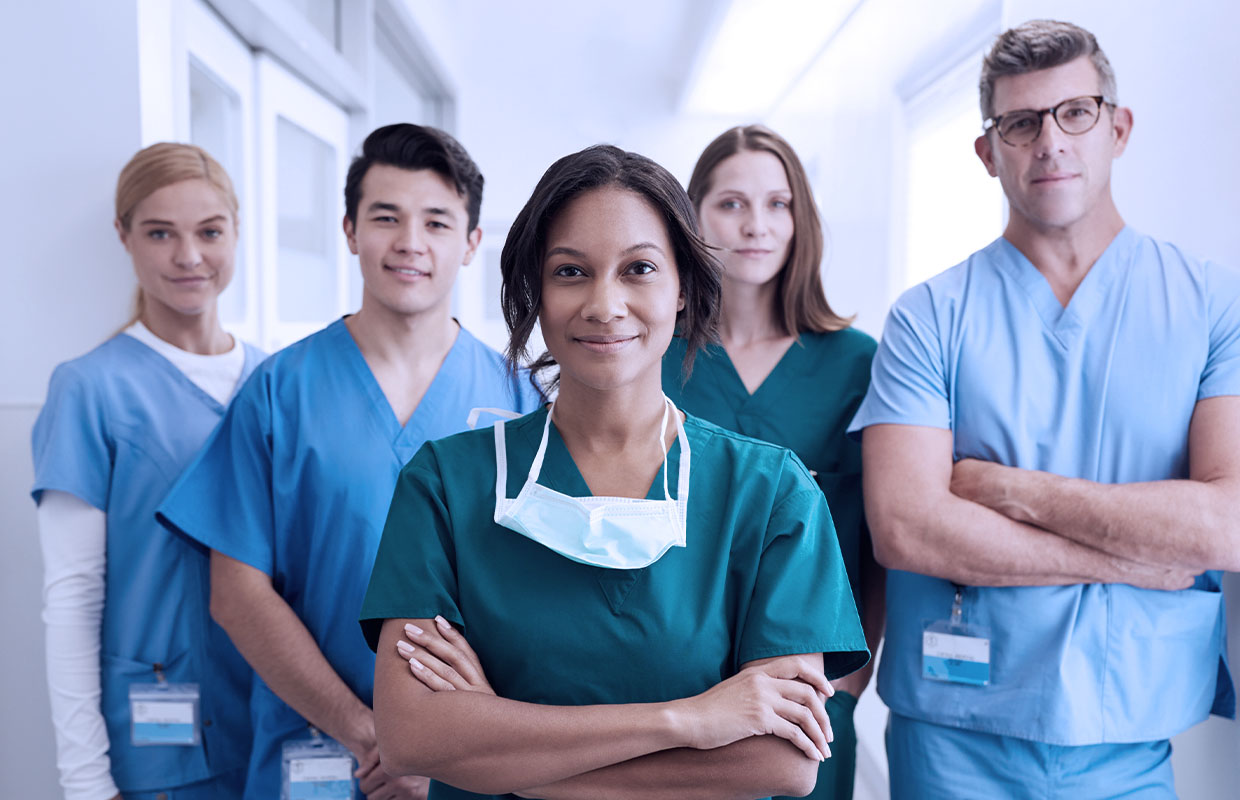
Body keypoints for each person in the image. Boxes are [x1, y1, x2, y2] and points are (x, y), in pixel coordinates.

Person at [358, 144, 869, 800]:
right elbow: (412, 737)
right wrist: (688, 719)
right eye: (571, 272)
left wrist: (508, 750)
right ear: (533, 291)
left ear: (683, 287)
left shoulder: (772, 494)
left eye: (639, 269)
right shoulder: (445, 486)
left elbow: (783, 764)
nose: (604, 304)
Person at [848, 19, 1239, 799]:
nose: (1049, 142)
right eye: (1020, 123)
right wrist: (1137, 558)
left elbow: (1224, 526)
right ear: (988, 152)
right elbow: (906, 527)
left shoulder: (1207, 304)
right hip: (952, 741)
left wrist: (1010, 490)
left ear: (1117, 128)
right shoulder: (929, 315)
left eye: (1075, 113)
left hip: (1130, 740)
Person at [156, 124, 543, 800]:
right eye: (385, 218)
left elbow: (541, 605)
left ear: (472, 242)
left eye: (437, 222)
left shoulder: (521, 403)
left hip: (467, 769)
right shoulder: (281, 391)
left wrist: (444, 750)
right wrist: (369, 734)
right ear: (349, 230)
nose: (410, 243)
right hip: (316, 755)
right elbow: (238, 595)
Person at [31, 142, 263, 800]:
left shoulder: (276, 381)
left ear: (236, 232)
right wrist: (85, 782)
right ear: (124, 237)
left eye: (209, 232)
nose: (188, 257)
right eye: (160, 233)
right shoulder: (89, 389)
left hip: (284, 736)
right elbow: (72, 602)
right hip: (160, 756)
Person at [662, 124, 884, 800]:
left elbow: (875, 539)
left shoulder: (856, 363)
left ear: (800, 219)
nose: (755, 224)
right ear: (693, 217)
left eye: (777, 204)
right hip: (672, 680)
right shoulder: (656, 357)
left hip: (807, 686)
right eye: (731, 203)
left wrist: (852, 676)